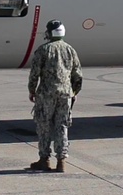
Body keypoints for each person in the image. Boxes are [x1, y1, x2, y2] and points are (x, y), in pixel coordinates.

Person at [27, 19, 83, 173]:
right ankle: (61, 161)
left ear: (50, 32)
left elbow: (34, 74)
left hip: (46, 94)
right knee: (62, 126)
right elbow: (77, 75)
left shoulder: (43, 50)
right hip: (65, 94)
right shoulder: (70, 50)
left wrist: (32, 90)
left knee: (44, 125)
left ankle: (44, 159)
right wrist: (74, 92)